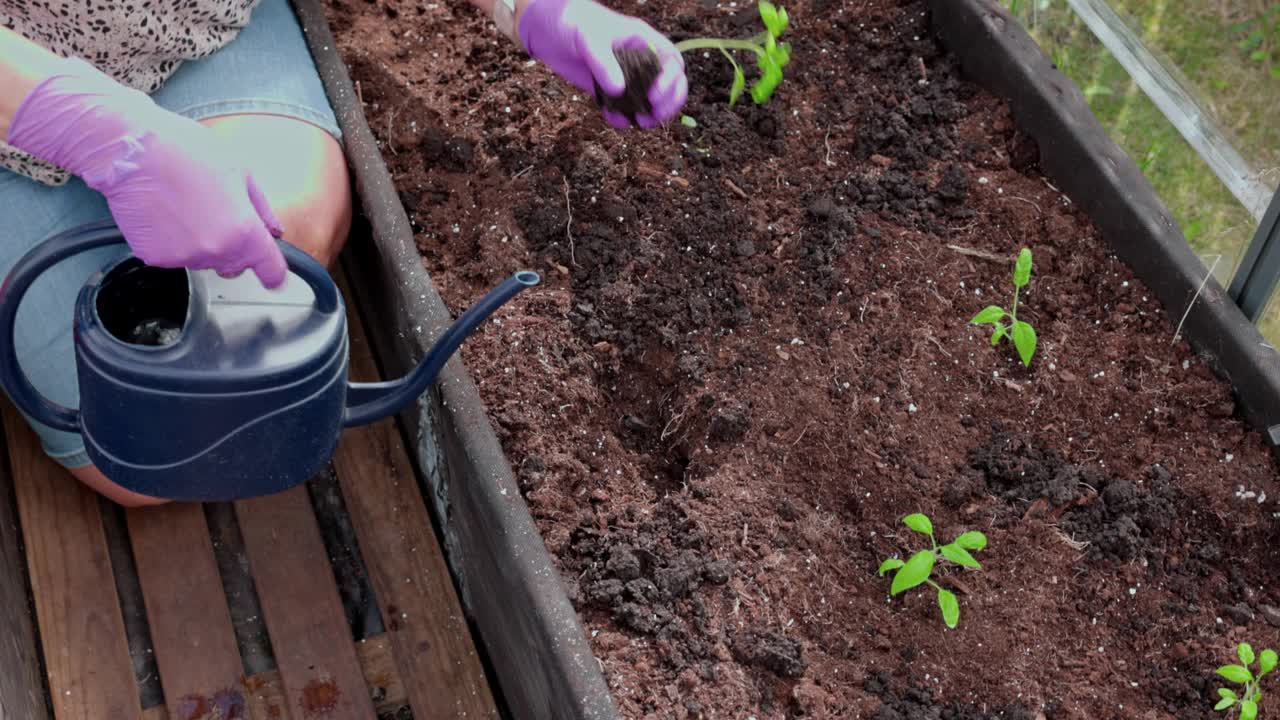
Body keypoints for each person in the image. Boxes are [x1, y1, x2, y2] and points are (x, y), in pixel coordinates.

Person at [0, 0, 687, 506]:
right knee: (138, 461)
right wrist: (100, 135)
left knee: (283, 228)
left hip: (188, 30)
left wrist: (534, 9)